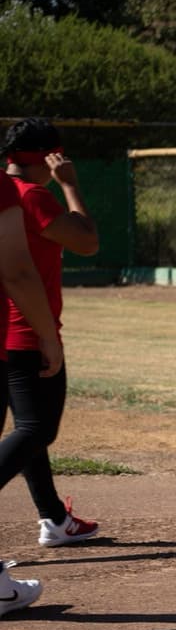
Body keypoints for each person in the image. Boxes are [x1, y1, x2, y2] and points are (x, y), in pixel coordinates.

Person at [2, 118, 100, 546]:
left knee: (27, 428)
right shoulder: (33, 196)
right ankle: (54, 520)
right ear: (50, 157)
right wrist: (70, 184)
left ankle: (55, 519)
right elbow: (87, 240)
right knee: (37, 430)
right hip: (25, 332)